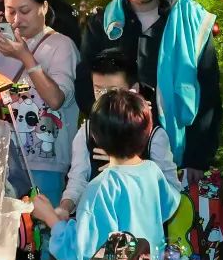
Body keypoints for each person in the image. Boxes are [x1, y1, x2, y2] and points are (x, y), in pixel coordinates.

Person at [79, 0, 221, 182]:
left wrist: (197, 158)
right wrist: (108, 139)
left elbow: (208, 94)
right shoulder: (103, 25)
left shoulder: (192, 22)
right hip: (115, 153)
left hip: (175, 153)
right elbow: (86, 88)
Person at [31, 89, 180, 260]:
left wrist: (50, 218)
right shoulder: (152, 171)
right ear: (147, 131)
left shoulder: (102, 186)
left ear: (94, 136)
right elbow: (170, 204)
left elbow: (81, 249)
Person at [0, 0, 80, 207]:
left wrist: (25, 56)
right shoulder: (1, 44)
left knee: (42, 224)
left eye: (24, 11)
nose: (16, 20)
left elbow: (55, 99)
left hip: (45, 161)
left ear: (43, 7)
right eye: (10, 11)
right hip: (1, 157)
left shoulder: (61, 45)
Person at [57, 48, 179, 220]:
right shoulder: (87, 131)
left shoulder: (154, 135)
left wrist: (128, 168)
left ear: (133, 90)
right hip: (97, 226)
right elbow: (77, 180)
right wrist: (65, 207)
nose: (104, 98)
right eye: (98, 90)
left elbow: (173, 192)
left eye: (113, 91)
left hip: (141, 229)